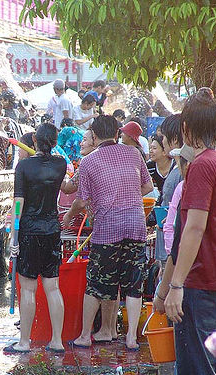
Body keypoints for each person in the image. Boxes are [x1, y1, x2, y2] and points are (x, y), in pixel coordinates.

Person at [160, 88, 216, 375]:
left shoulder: (202, 166)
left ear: (185, 128)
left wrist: (175, 286)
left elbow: (194, 229)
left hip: (201, 290)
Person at [63, 115, 153, 350]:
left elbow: (81, 202)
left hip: (107, 229)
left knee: (96, 283)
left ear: (94, 135)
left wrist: (68, 216)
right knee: (134, 284)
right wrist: (129, 196)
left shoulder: (89, 161)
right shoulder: (133, 153)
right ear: (116, 133)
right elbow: (148, 186)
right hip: (136, 225)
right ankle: (131, 338)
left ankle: (84, 336)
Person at [3, 123, 67, 354]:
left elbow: (18, 202)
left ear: (34, 141)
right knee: (53, 287)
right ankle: (57, 341)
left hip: (29, 230)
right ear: (54, 142)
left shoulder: (24, 166)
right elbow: (66, 187)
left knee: (28, 289)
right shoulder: (61, 164)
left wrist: (14, 236)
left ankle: (24, 342)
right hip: (52, 230)